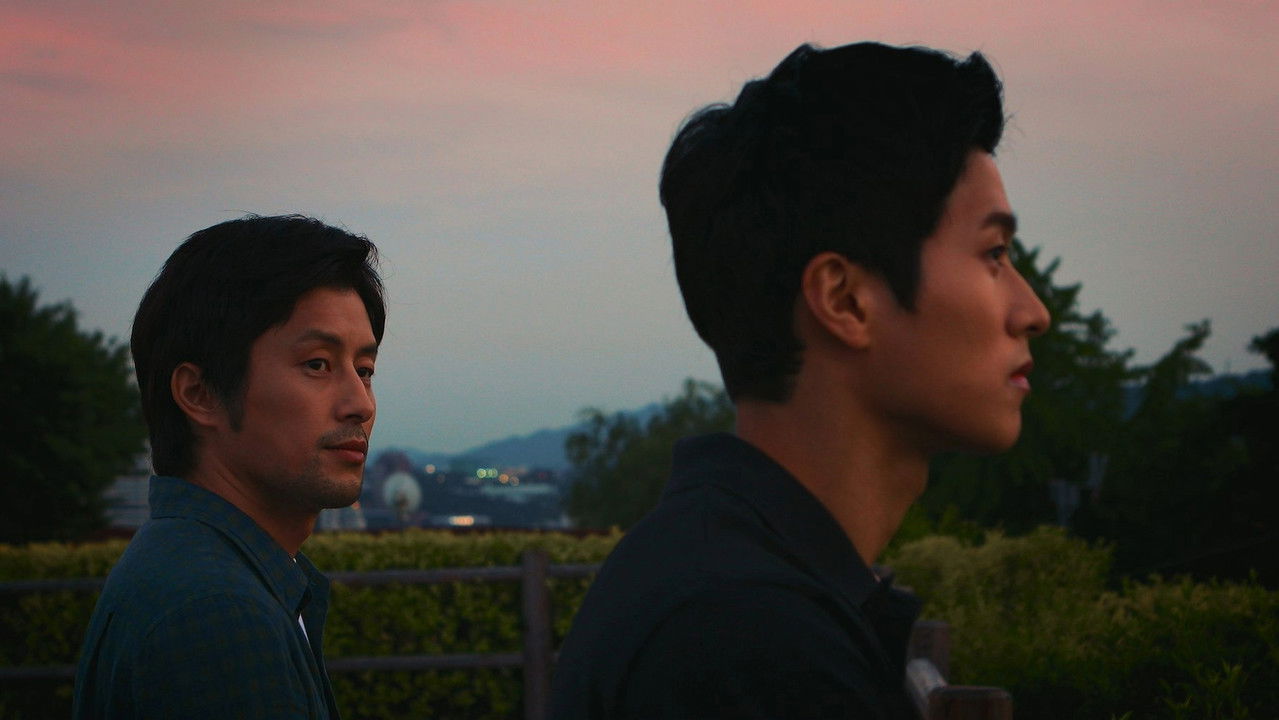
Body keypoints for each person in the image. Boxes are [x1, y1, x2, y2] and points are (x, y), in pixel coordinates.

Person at [550, 41, 1050, 718]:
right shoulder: (751, 642)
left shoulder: (717, 576)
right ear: (844, 301)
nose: (1033, 311)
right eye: (993, 253)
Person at [73, 215, 386, 719]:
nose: (361, 403)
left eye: (364, 370)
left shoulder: (193, 565)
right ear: (199, 394)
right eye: (317, 364)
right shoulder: (215, 611)